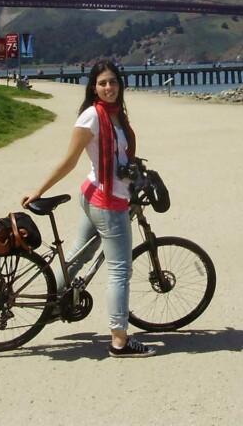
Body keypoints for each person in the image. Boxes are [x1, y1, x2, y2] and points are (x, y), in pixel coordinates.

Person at [21, 60, 157, 358]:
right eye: (102, 83)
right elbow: (69, 161)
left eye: (113, 82)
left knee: (76, 258)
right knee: (120, 270)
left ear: (119, 84)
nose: (109, 87)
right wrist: (39, 190)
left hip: (98, 194)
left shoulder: (115, 114)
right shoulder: (92, 118)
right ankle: (120, 341)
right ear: (93, 87)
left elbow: (119, 157)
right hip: (106, 203)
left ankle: (51, 304)